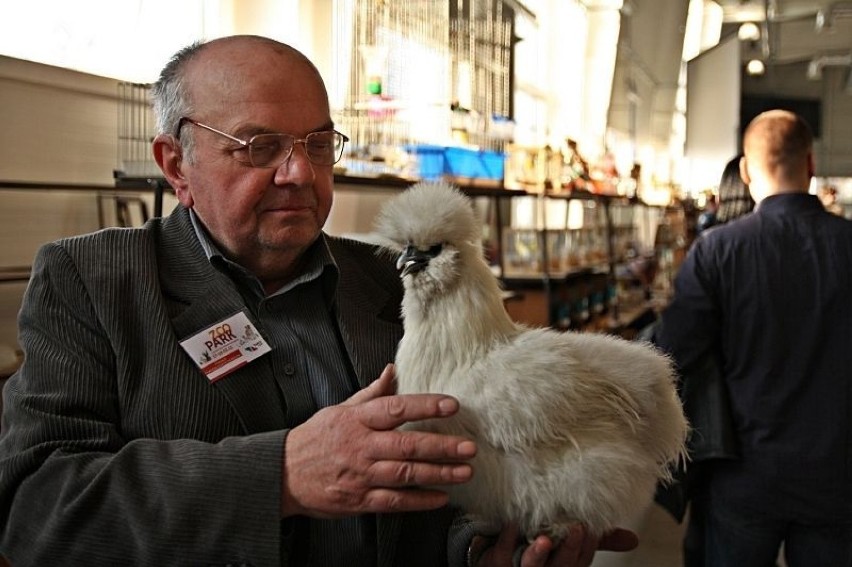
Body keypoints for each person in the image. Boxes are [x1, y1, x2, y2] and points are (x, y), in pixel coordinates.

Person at [0, 35, 637, 566]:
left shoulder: (399, 281)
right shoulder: (93, 282)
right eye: (260, 146)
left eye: (316, 144)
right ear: (176, 164)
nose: (300, 172)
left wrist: (478, 547)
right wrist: (278, 475)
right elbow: (36, 507)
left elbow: (446, 480)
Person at [655, 109, 852, 567]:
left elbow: (670, 355)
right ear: (810, 163)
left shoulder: (716, 251)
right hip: (837, 474)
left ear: (745, 170)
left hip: (744, 473)